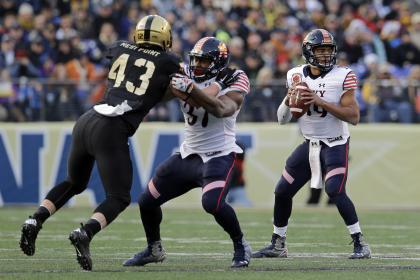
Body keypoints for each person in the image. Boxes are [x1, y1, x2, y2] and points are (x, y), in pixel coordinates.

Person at [19, 15, 182, 271]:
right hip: (112, 127)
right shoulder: (169, 61)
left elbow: (137, 81)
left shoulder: (119, 47)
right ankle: (86, 233)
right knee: (119, 196)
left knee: (74, 182)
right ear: (164, 37)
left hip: (88, 119)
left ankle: (35, 220)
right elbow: (164, 86)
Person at [123, 37, 252, 268]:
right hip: (188, 154)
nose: (197, 65)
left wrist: (190, 89)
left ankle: (241, 244)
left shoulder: (233, 77)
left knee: (212, 203)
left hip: (219, 154)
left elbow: (221, 109)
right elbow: (156, 97)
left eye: (204, 61)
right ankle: (154, 249)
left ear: (217, 63)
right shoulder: (185, 73)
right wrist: (166, 85)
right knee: (146, 201)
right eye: (196, 60)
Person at [251, 29, 371, 260]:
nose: (326, 55)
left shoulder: (343, 75)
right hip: (310, 145)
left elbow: (353, 116)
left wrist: (319, 101)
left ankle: (360, 242)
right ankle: (278, 244)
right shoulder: (295, 75)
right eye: (321, 50)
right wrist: (289, 99)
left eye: (329, 50)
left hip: (336, 143)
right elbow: (282, 119)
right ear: (308, 52)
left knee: (335, 190)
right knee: (282, 191)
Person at [225, 140, 253, 207]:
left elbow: (241, 149)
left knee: (244, 207)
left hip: (237, 187)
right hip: (224, 188)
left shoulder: (238, 159)